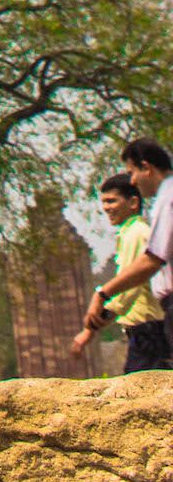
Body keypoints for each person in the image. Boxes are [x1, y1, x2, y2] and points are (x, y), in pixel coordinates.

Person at [70, 175, 169, 373]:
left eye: (112, 201)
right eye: (104, 202)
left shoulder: (136, 234)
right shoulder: (129, 234)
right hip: (144, 333)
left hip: (149, 333)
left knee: (139, 396)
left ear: (133, 202)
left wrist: (92, 326)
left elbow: (128, 290)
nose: (106, 207)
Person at [83, 139, 173, 348]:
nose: (132, 181)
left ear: (147, 168)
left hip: (149, 328)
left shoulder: (167, 200)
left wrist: (103, 295)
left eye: (132, 172)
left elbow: (151, 261)